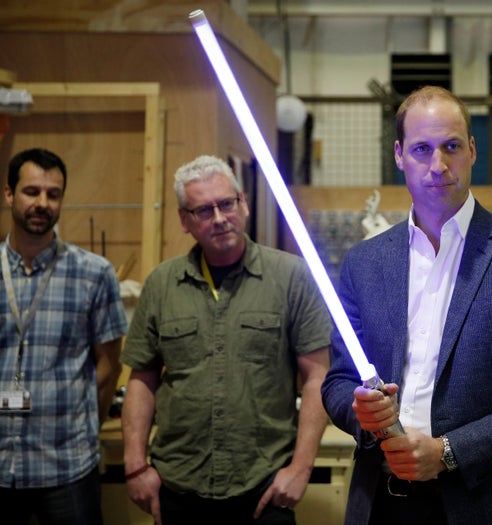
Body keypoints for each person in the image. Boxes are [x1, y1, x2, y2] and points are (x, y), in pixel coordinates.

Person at [321, 86, 492, 525]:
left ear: (472, 150)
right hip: (384, 503)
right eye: (422, 149)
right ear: (399, 154)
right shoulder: (364, 262)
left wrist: (448, 452)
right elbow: (338, 379)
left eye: (451, 147)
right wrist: (359, 411)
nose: (438, 165)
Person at [120, 155, 332, 525]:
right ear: (185, 221)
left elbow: (318, 378)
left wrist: (301, 468)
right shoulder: (161, 284)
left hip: (264, 488)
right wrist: (135, 466)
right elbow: (142, 379)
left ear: (244, 203)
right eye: (203, 210)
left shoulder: (290, 277)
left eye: (226, 204)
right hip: (180, 487)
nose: (219, 219)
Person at [0, 148, 127, 524]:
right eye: (31, 192)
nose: (42, 203)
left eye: (53, 194)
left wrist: (86, 431)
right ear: (9, 194)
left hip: (67, 466)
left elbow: (109, 367)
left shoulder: (94, 274)